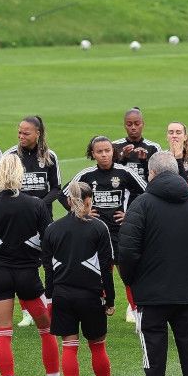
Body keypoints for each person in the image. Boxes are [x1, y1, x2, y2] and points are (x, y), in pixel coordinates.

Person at [118, 151, 188, 376]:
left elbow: (127, 250)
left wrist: (131, 280)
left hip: (150, 292)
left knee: (153, 347)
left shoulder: (142, 204)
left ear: (152, 173)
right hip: (184, 290)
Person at [0, 154, 64, 376]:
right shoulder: (35, 205)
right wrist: (29, 246)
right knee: (46, 331)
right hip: (29, 277)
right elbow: (50, 240)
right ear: (21, 175)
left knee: (4, 335)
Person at [44, 182, 126, 376]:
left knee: (70, 346)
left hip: (62, 296)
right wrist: (110, 300)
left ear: (69, 200)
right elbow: (106, 268)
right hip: (91, 297)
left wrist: (50, 297)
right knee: (97, 346)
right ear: (89, 201)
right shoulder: (99, 228)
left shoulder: (53, 229)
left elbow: (48, 268)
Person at [66, 136, 147, 324]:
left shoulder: (125, 173)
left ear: (113, 151)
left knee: (128, 274)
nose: (104, 155)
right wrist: (81, 212)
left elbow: (147, 192)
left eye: (107, 150)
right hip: (95, 234)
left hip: (120, 233)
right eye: (99, 152)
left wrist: (130, 214)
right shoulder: (86, 175)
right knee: (97, 274)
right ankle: (99, 309)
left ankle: (137, 312)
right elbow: (64, 195)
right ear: (93, 154)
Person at [4, 115, 62, 327]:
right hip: (18, 220)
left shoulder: (49, 156)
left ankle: (49, 305)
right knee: (21, 263)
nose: (21, 136)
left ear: (38, 133)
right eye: (19, 132)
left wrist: (38, 205)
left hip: (43, 219)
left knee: (48, 263)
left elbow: (56, 188)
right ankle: (26, 311)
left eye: (26, 133)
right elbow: (3, 187)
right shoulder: (10, 156)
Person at [113, 107, 161, 180]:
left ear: (143, 124)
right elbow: (110, 174)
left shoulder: (154, 147)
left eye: (137, 124)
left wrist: (144, 162)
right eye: (129, 124)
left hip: (145, 190)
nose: (133, 127)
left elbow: (158, 176)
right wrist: (123, 158)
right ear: (124, 125)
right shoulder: (114, 146)